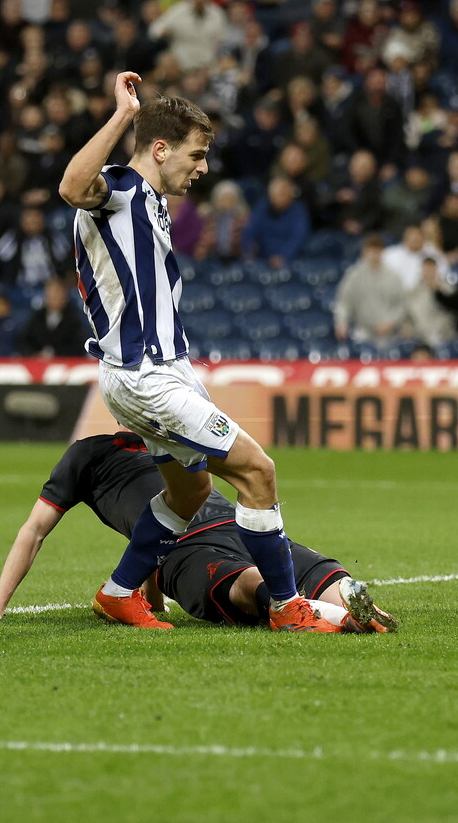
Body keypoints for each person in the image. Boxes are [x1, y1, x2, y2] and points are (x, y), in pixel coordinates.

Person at [58, 71, 341, 633]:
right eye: (197, 154)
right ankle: (289, 607)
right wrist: (123, 116)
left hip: (161, 374)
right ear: (159, 149)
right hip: (146, 376)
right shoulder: (118, 191)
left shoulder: (152, 203)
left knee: (190, 492)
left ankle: (119, 593)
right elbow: (71, 186)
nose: (204, 168)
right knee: (258, 472)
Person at [0, 433, 396, 633]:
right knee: (274, 577)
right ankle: (344, 614)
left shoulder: (167, 439)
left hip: (212, 536)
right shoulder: (93, 455)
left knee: (291, 575)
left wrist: (151, 598)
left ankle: (347, 611)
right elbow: (35, 530)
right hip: (208, 537)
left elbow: (40, 530)